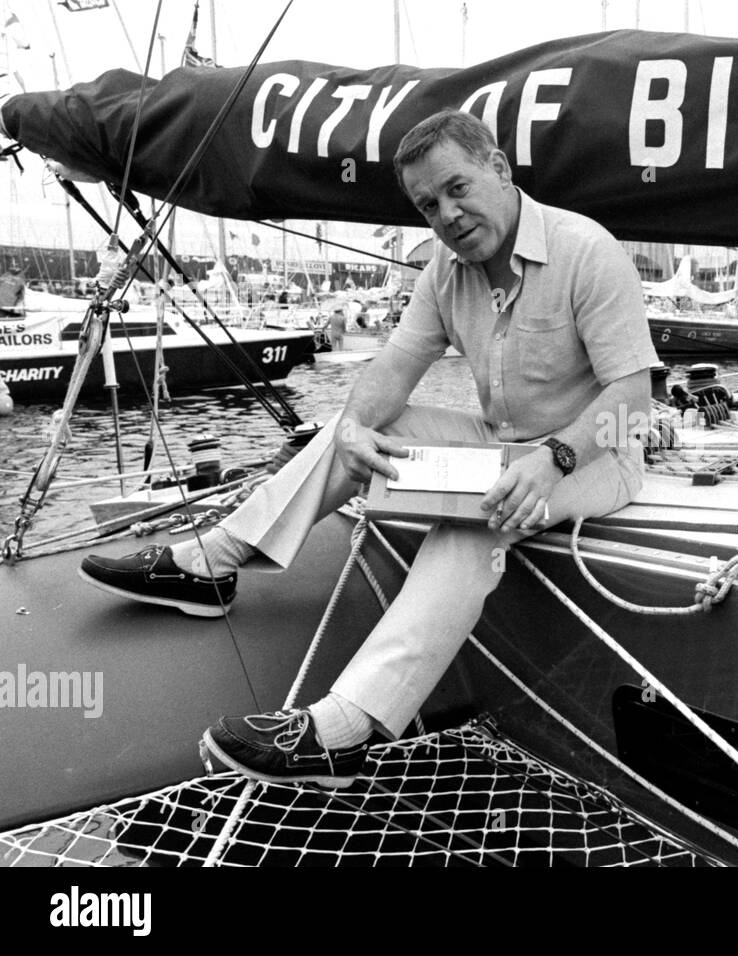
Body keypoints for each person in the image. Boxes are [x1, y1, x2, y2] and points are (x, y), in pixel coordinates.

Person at [79, 109, 658, 787]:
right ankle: (214, 563)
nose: (446, 214)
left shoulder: (586, 250)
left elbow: (634, 397)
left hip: (594, 456)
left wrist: (552, 458)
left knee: (476, 517)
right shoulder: (447, 268)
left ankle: (343, 731)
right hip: (504, 443)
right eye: (427, 205)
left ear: (498, 168)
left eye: (457, 188)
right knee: (353, 427)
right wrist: (355, 433)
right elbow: (394, 368)